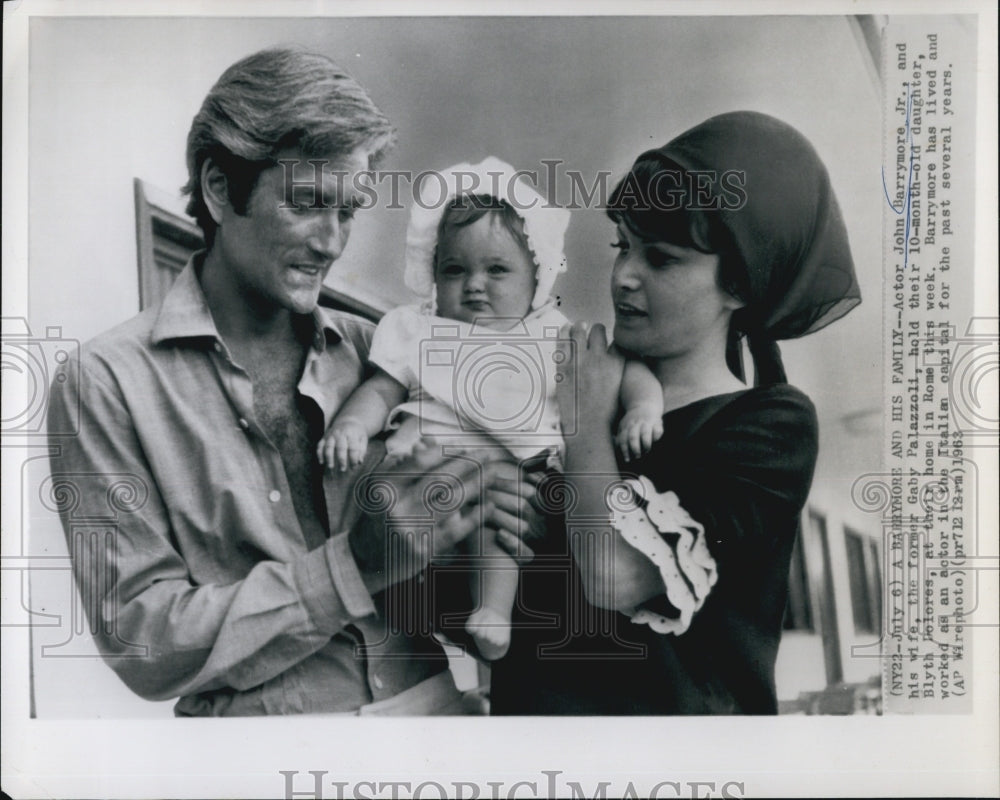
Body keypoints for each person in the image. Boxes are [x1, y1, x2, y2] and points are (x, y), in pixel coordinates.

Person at [44, 47, 537, 716]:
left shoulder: (377, 350)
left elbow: (455, 563)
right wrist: (349, 570)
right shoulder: (105, 383)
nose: (333, 242)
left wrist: (494, 517)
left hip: (441, 721)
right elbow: (141, 641)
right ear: (221, 189)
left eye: (349, 211)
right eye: (308, 203)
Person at [490, 111, 861, 715]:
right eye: (623, 247)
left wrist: (583, 421)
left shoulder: (773, 423)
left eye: (660, 259)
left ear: (738, 285)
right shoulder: (597, 400)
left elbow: (615, 578)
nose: (623, 276)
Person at [319, 157, 665, 661]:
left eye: (497, 270)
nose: (474, 284)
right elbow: (382, 389)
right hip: (426, 471)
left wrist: (643, 409)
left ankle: (492, 612)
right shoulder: (418, 329)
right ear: (433, 276)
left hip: (516, 478)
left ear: (536, 280)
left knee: (499, 517)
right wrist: (351, 424)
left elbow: (626, 372)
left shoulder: (551, 333)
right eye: (454, 270)